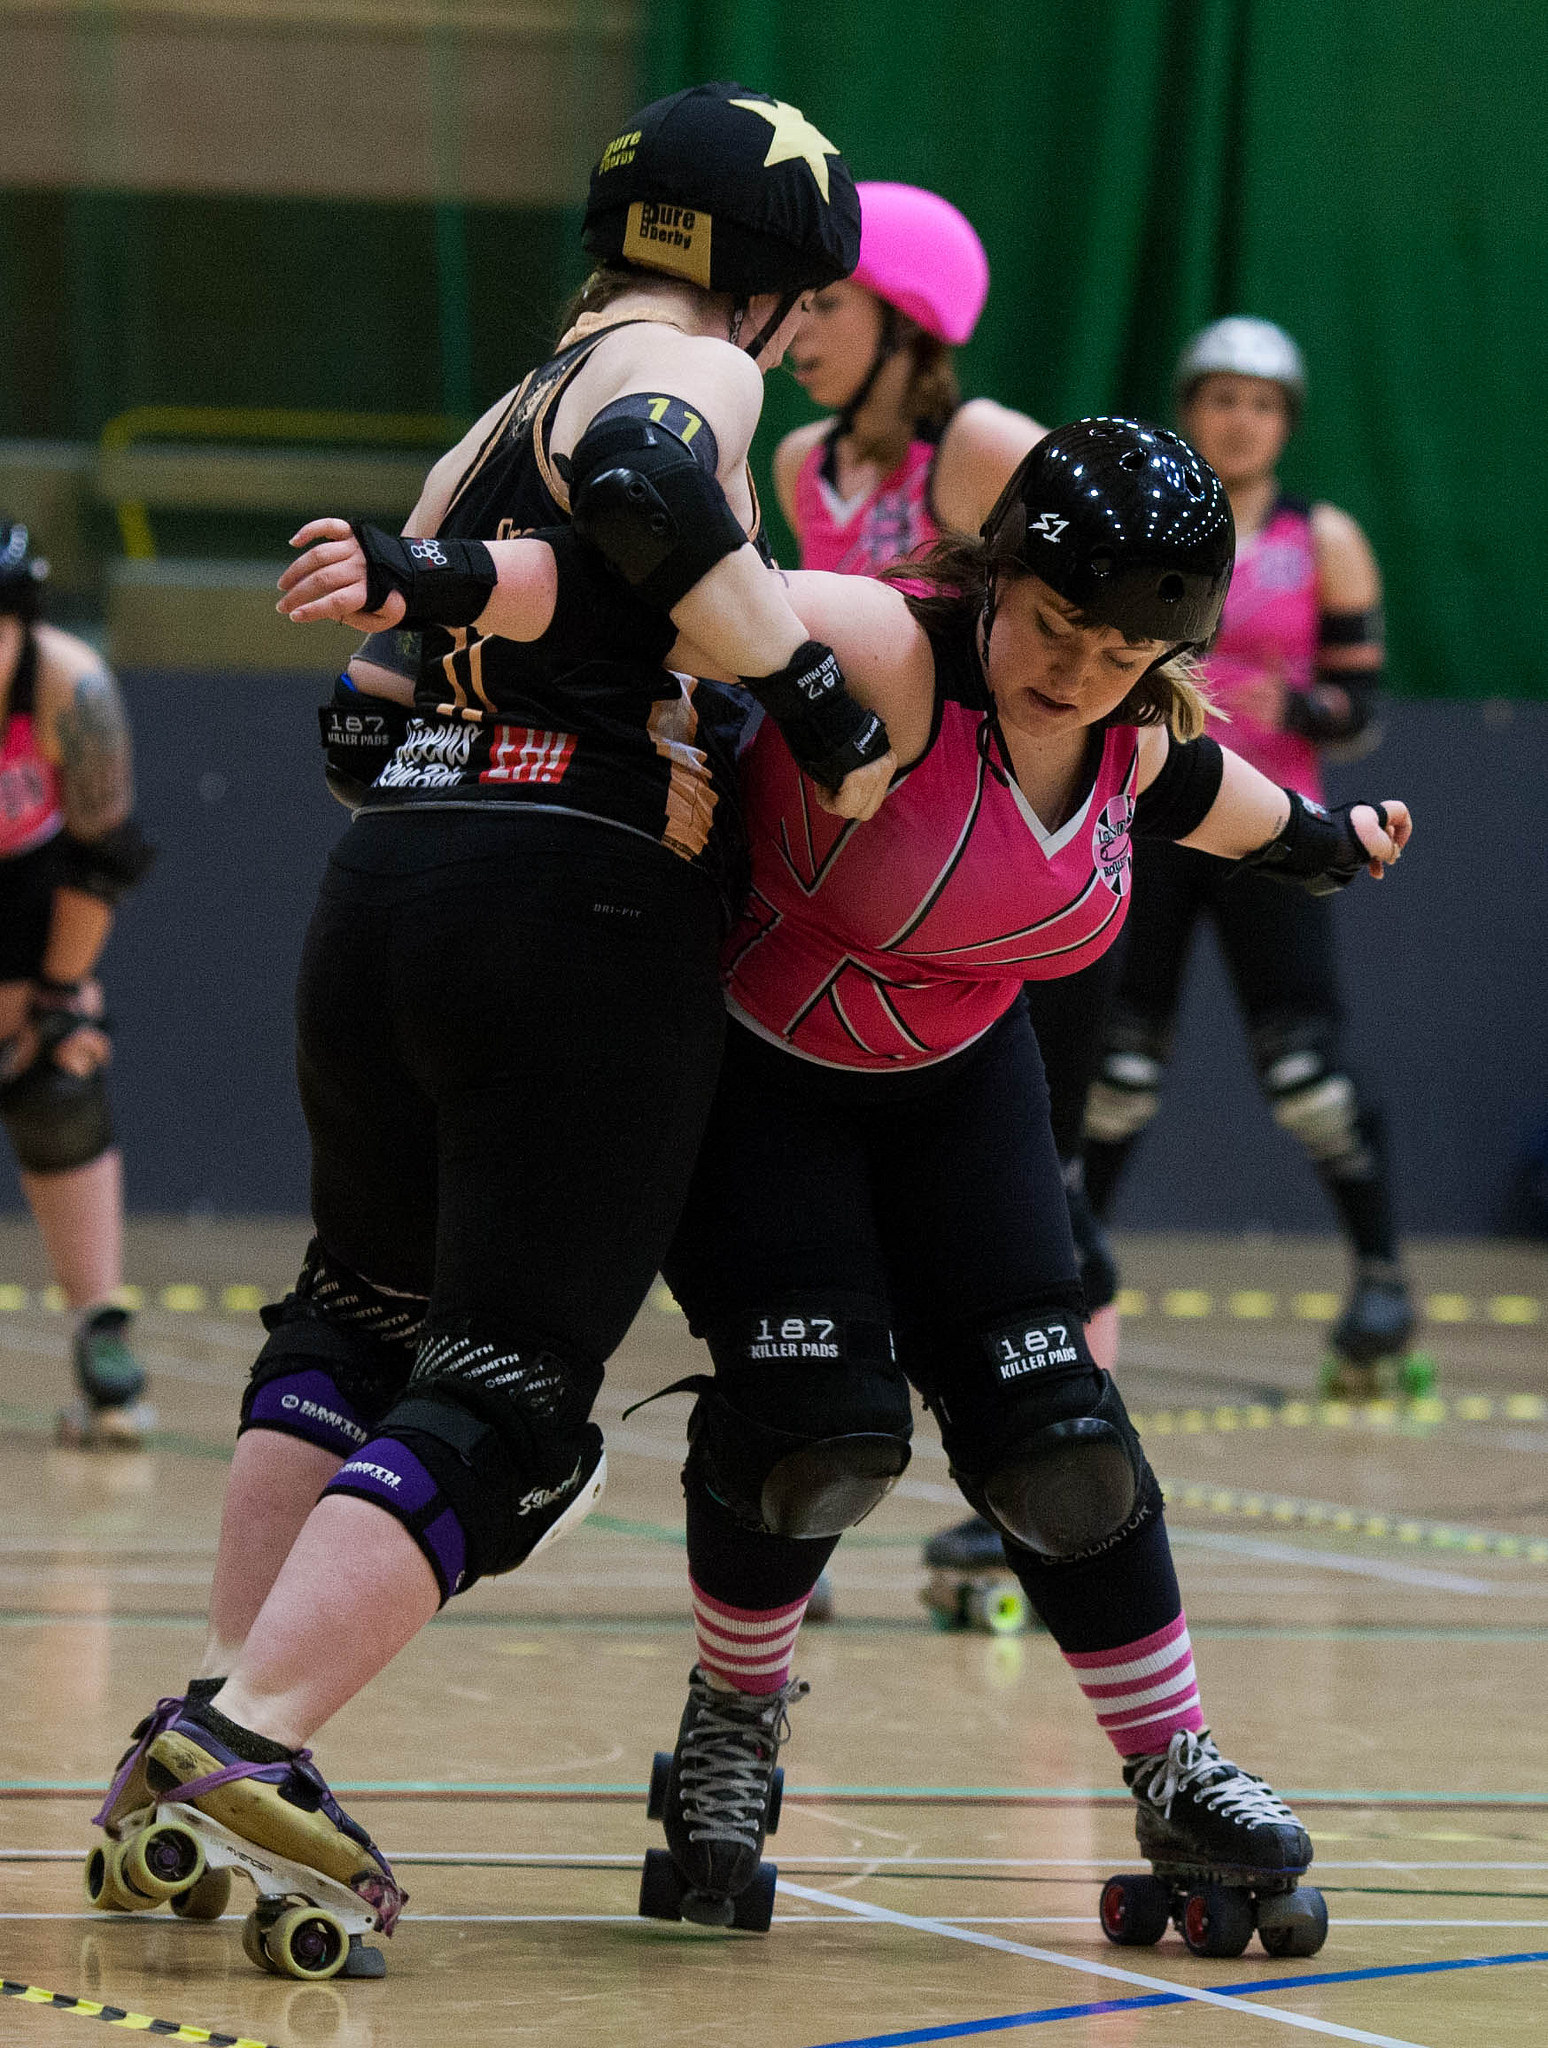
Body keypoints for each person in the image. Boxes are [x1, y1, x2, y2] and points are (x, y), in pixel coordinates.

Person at [86, 82, 894, 1982]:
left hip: (389, 892)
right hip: (578, 902)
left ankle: (212, 1716)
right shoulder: (693, 371)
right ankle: (238, 1740)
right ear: (776, 278)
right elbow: (648, 483)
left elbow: (365, 710)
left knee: (354, 1316)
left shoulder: (479, 433)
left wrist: (524, 713)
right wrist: (789, 688)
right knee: (517, 1398)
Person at [621, 419, 1407, 1951]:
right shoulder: (881, 645)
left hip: (958, 1089)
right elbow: (658, 590)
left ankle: (1176, 1762)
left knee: (1058, 1440)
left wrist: (1335, 843)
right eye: (1055, 626)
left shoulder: (1137, 729)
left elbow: (1242, 807)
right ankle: (734, 1722)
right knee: (818, 1431)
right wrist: (434, 591)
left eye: (1122, 652)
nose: (1077, 671)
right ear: (1000, 573)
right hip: (762, 1077)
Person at [772, 185, 1115, 1611]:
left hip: (1011, 868)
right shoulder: (798, 464)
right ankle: (823, 1492)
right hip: (866, 883)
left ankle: (1061, 1489)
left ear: (909, 320)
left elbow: (1107, 644)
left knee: (1038, 1197)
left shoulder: (979, 449)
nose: (794, 332)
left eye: (827, 305)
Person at [1081, 319, 1417, 1397]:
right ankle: (1064, 1277)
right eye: (1221, 398)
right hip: (1154, 816)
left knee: (1307, 1074)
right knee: (1118, 1071)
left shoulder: (1326, 540)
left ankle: (1381, 1281)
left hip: (1274, 822)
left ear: (1286, 424)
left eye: (1261, 404)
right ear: (1190, 409)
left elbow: (1359, 707)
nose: (1239, 419)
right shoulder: (1151, 522)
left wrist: (1302, 702)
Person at [0, 521, 154, 1445]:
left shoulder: (70, 684)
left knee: (59, 1074)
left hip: (29, 884)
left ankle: (102, 1330)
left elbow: (103, 861)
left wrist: (56, 1000)